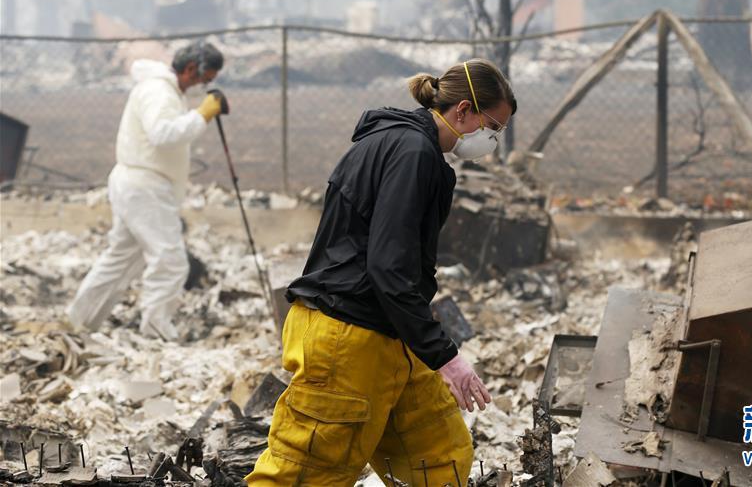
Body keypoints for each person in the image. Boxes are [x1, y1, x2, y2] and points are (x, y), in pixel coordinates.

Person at [246, 59, 516, 487]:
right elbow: (389, 265)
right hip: (347, 337)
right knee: (304, 474)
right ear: (464, 110)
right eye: (494, 127)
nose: (493, 141)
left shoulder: (398, 142)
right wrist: (445, 357)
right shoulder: (413, 154)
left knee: (438, 459)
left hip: (389, 332)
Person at [67, 42, 227, 341]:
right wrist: (201, 115)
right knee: (170, 261)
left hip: (138, 184)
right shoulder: (159, 91)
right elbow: (162, 134)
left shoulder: (164, 90)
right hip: (145, 186)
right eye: (204, 78)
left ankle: (79, 322)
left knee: (121, 259)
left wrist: (198, 115)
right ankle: (156, 332)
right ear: (191, 68)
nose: (202, 85)